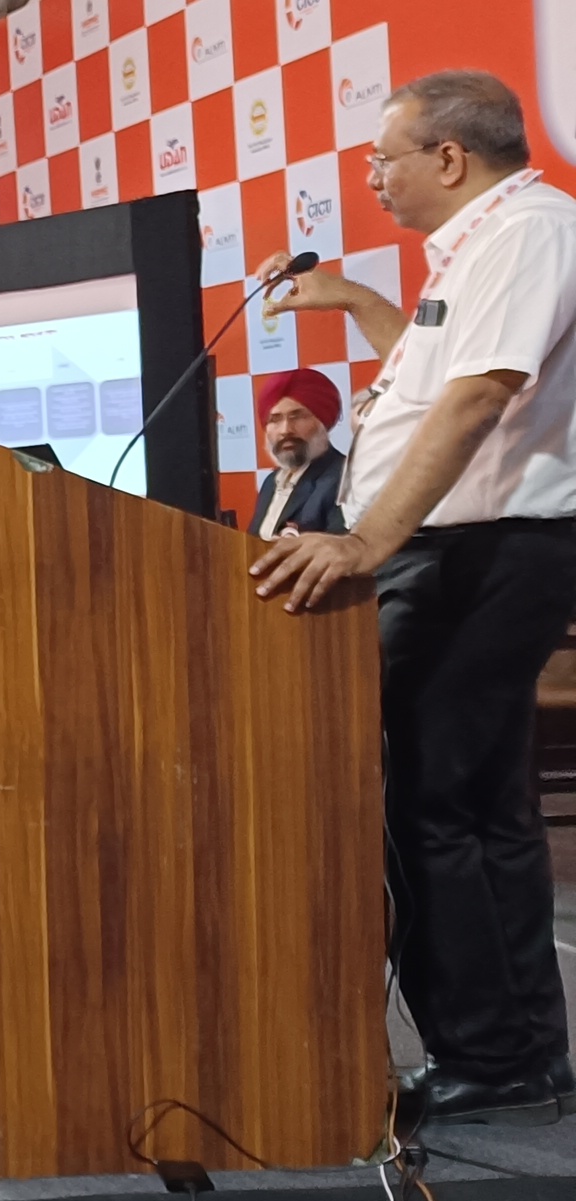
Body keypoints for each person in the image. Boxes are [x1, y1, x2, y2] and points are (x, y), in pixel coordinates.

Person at [248, 71, 576, 1124]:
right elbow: (433, 380)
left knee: (442, 804)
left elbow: (480, 397)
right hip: (459, 550)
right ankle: (512, 1050)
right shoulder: (481, 245)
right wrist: (354, 302)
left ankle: (496, 1054)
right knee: (463, 802)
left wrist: (366, 540)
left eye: (381, 158)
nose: (370, 177)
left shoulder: (529, 232)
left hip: (487, 551)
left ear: (449, 157)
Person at [253, 370, 351, 539]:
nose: (285, 430)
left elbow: (342, 549)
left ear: (322, 421)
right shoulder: (271, 482)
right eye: (275, 419)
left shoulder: (344, 478)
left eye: (297, 417)